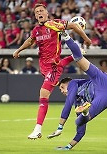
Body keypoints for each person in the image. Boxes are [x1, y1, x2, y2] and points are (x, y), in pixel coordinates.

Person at [13, 3, 91, 140]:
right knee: (57, 89)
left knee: (43, 94)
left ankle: (38, 129)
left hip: (53, 67)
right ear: (35, 15)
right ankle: (80, 100)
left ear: (47, 13)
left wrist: (86, 39)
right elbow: (30, 40)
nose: (39, 13)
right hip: (45, 67)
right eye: (37, 12)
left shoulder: (54, 24)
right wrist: (19, 50)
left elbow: (73, 25)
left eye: (41, 10)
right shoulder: (36, 30)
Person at [47, 32, 107, 150]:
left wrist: (60, 127)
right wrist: (68, 147)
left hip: (100, 81)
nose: (62, 91)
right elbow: (81, 132)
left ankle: (66, 35)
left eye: (62, 87)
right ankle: (85, 112)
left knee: (79, 58)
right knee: (79, 122)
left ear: (67, 83)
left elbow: (68, 104)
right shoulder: (79, 103)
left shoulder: (74, 83)